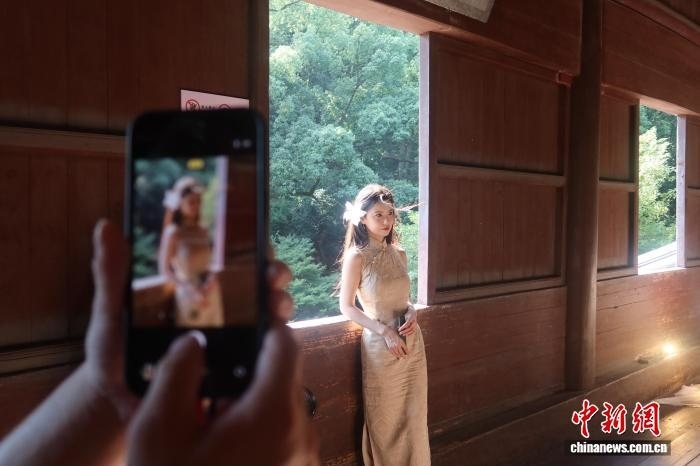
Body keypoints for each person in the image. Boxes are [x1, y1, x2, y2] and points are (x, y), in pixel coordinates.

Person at [0, 220, 319, 466]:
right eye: (190, 197)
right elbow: (168, 267)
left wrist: (106, 392)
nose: (194, 201)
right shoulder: (174, 232)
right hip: (184, 293)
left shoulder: (203, 230)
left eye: (197, 196)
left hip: (206, 291)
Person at [338, 184, 430, 465]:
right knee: (386, 418)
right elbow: (346, 306)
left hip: (411, 342)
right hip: (381, 345)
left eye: (390, 213)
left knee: (414, 415)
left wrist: (412, 312)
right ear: (362, 218)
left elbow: (405, 299)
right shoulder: (357, 256)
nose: (386, 220)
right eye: (378, 214)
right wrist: (384, 331)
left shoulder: (399, 253)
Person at [159, 176, 224, 327]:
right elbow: (165, 270)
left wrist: (211, 279)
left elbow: (209, 263)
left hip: (210, 290)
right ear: (180, 203)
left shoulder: (203, 231)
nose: (196, 205)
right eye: (191, 202)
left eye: (198, 201)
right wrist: (190, 290)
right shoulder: (173, 232)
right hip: (188, 293)